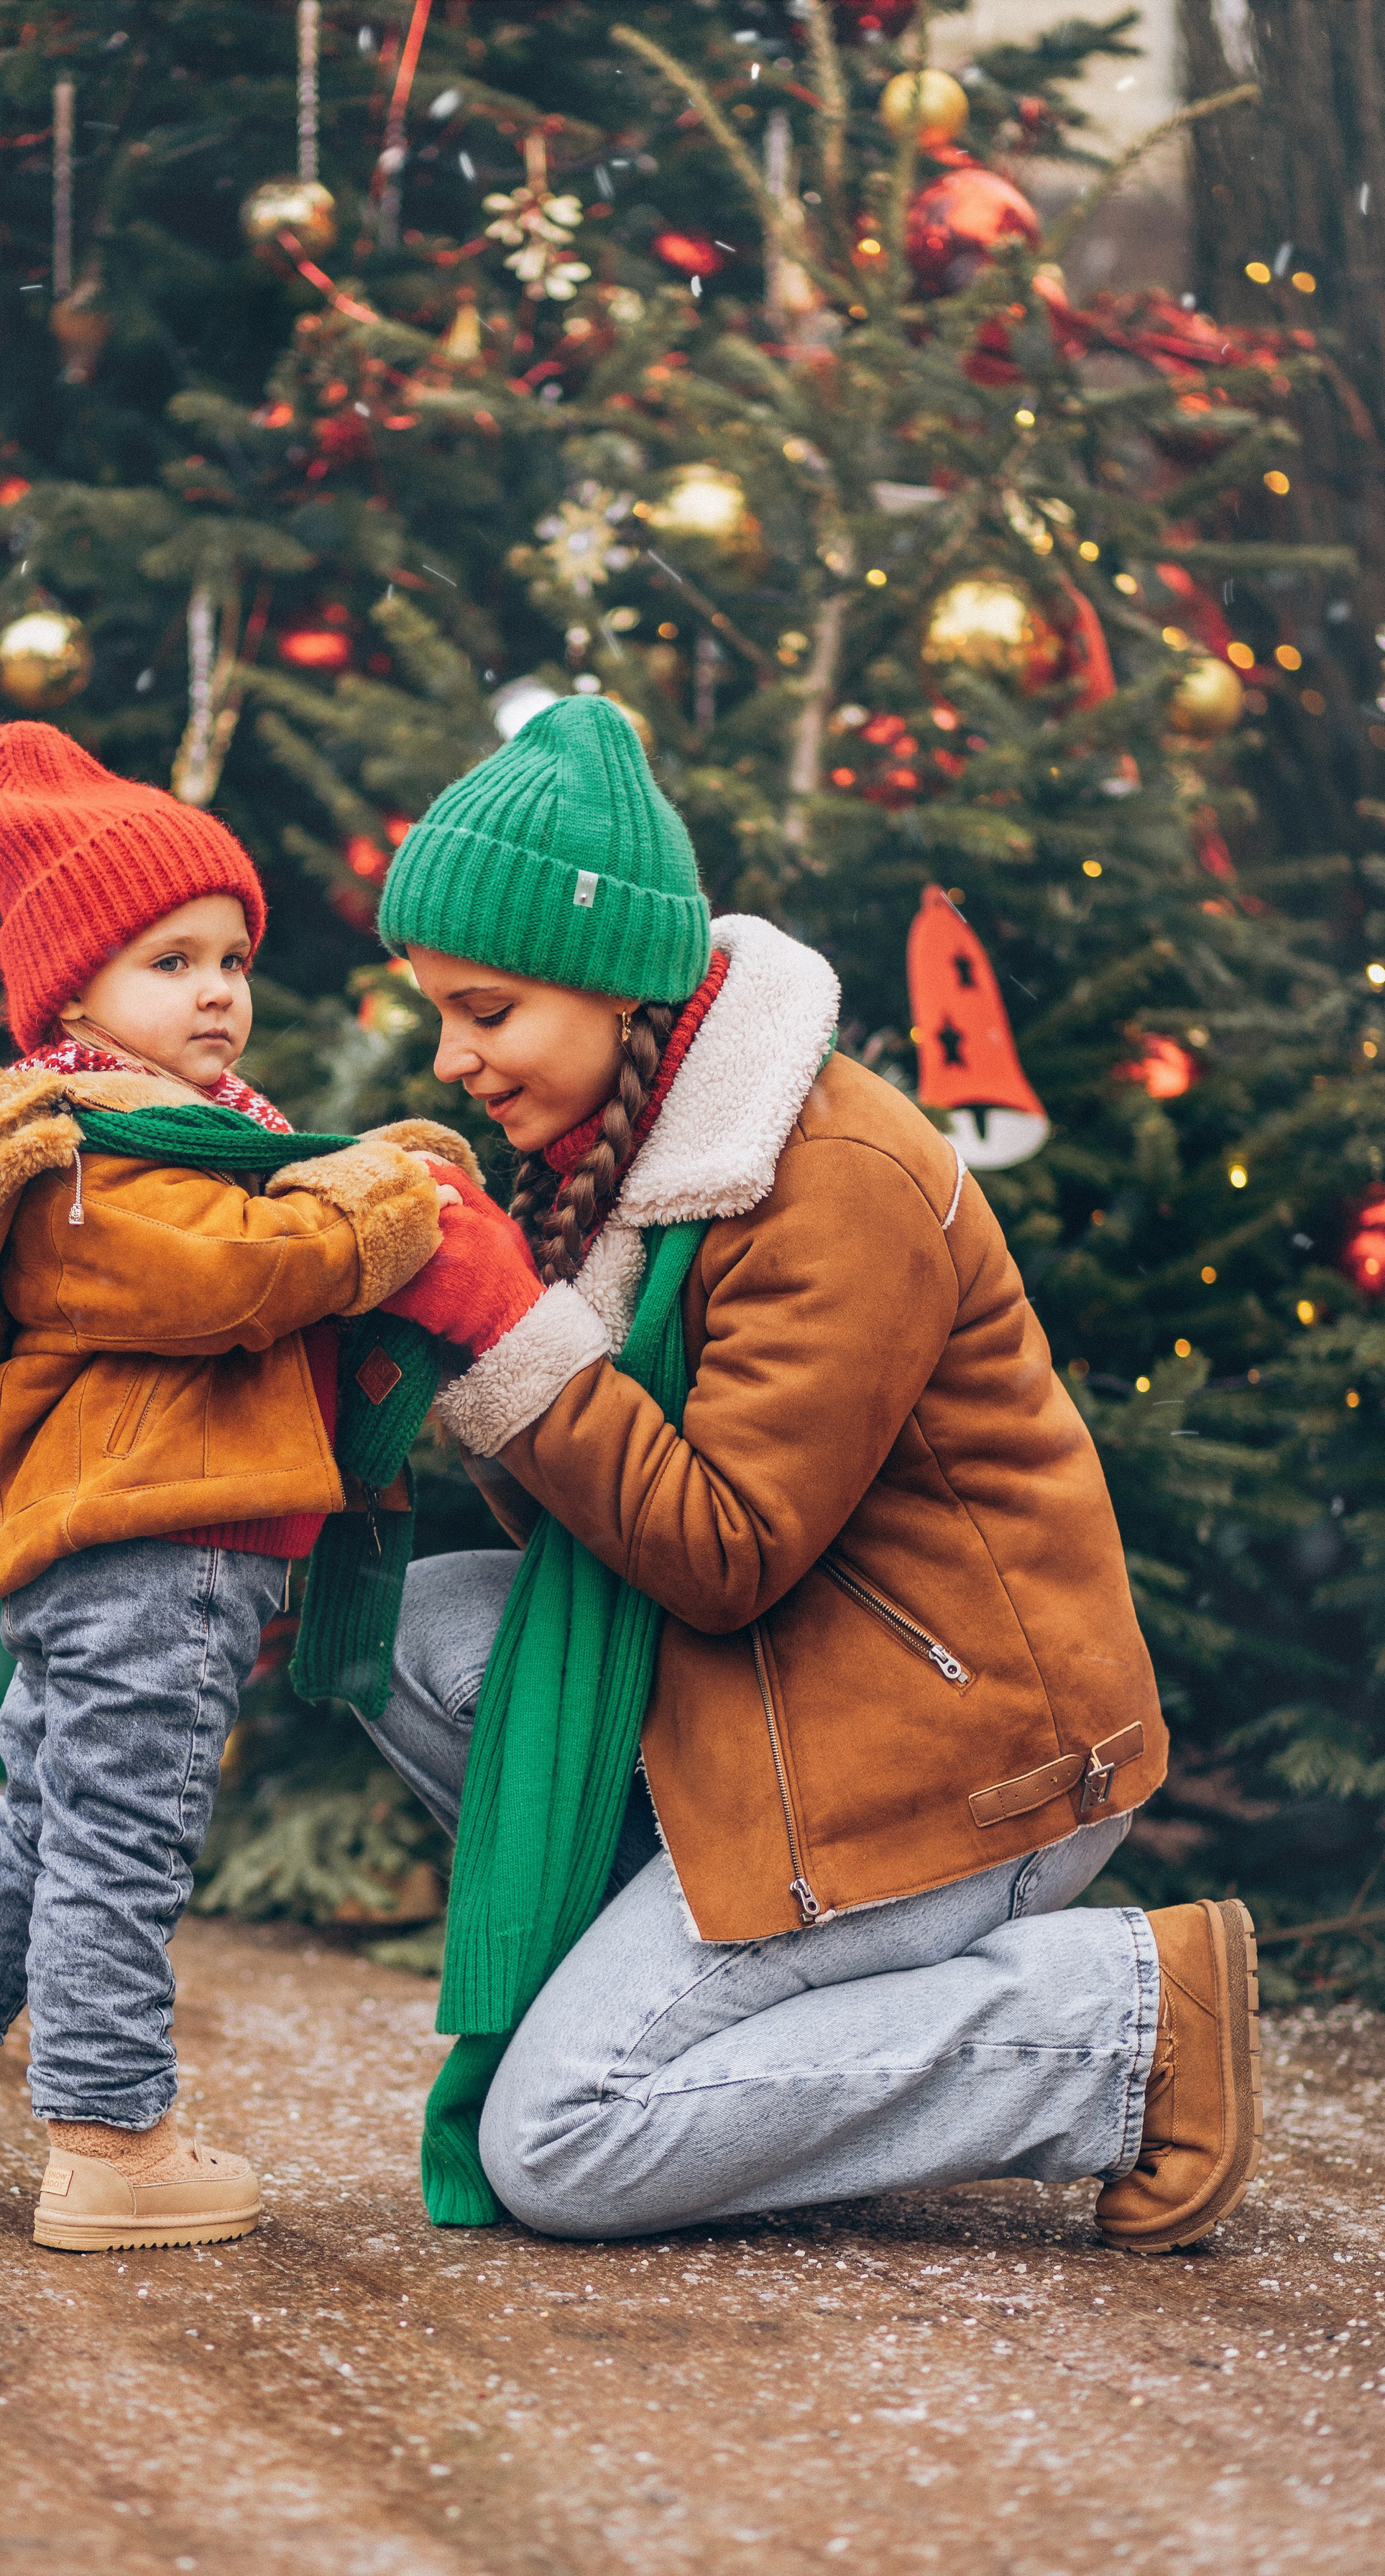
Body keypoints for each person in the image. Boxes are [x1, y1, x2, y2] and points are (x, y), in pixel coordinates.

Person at [361, 694, 1261, 2254]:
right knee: (399, 1623)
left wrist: (502, 1324)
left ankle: (1122, 2024)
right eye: (439, 1011)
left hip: (947, 1753)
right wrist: (464, 1319)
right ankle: (674, 1995)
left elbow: (720, 1548)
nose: (454, 1058)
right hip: (773, 1691)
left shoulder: (820, 1174)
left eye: (486, 1010)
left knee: (565, 2144)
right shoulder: (613, 1166)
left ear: (609, 981)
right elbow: (587, 1516)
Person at [0, 721, 466, 2253]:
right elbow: (222, 1278)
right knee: (128, 1838)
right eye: (170, 960)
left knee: (47, 1821)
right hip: (152, 1549)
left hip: (124, 1547)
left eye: (230, 954)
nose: (219, 988)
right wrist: (372, 1218)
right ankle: (110, 2133)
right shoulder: (81, 1156)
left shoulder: (161, 1137)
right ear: (75, 998)